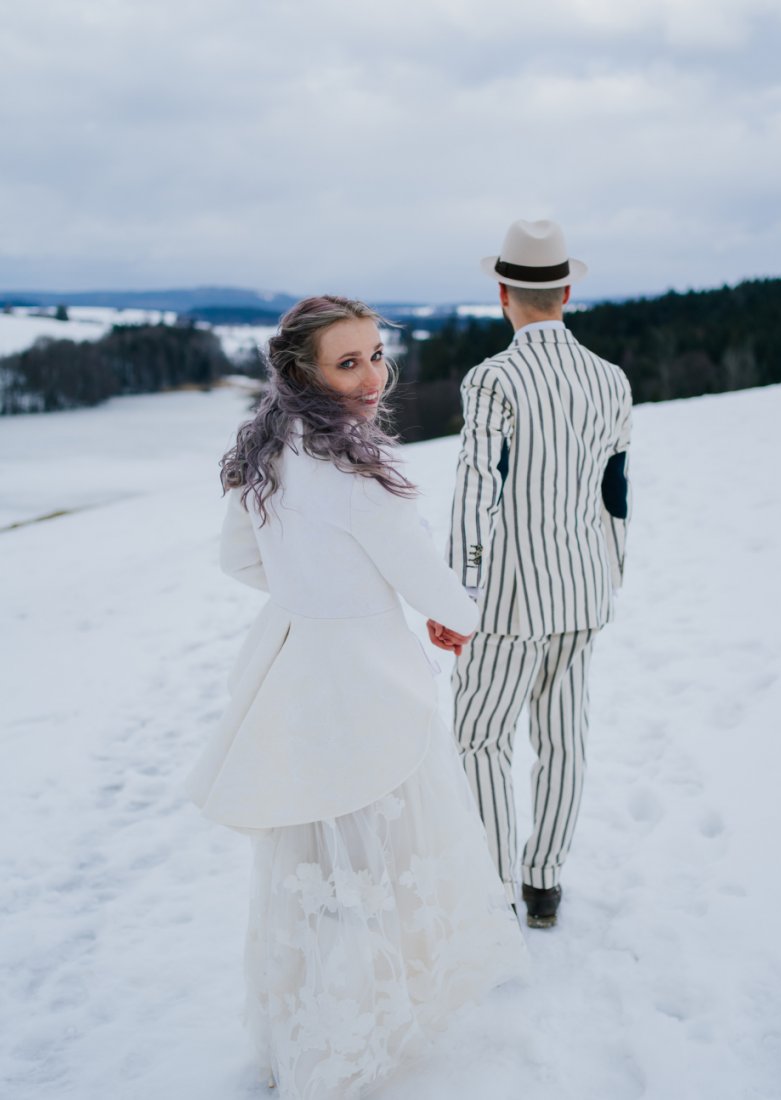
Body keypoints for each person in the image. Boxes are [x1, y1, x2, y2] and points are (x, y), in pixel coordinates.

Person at [185, 296, 526, 1098]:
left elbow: (239, 557)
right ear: (303, 372)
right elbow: (421, 573)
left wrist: (312, 589)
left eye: (377, 354)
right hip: (367, 680)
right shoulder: (354, 469)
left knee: (313, 864)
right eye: (348, 363)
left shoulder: (267, 445)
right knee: (379, 863)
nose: (373, 377)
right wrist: (456, 616)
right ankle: (356, 1035)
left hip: (295, 666)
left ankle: (303, 1029)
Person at [433, 219, 632, 929]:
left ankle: (494, 892)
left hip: (509, 600)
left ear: (502, 294)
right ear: (566, 293)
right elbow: (616, 492)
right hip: (585, 590)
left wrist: (458, 593)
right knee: (564, 738)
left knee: (480, 738)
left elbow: (475, 490)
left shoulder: (494, 377)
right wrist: (610, 575)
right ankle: (544, 883)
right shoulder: (611, 380)